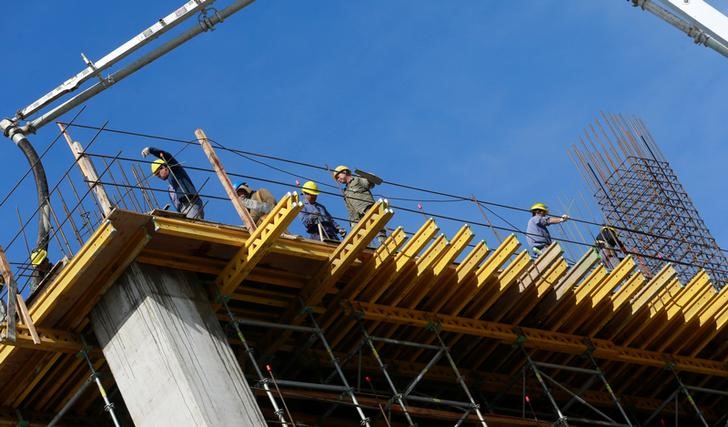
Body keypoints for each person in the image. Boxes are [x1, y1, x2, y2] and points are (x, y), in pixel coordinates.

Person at [142, 146, 204, 219]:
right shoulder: (170, 187)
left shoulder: (175, 170)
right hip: (183, 210)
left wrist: (151, 150)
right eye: (156, 176)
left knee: (194, 226)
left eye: (158, 173)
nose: (159, 177)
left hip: (191, 204)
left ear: (164, 167)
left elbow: (167, 156)